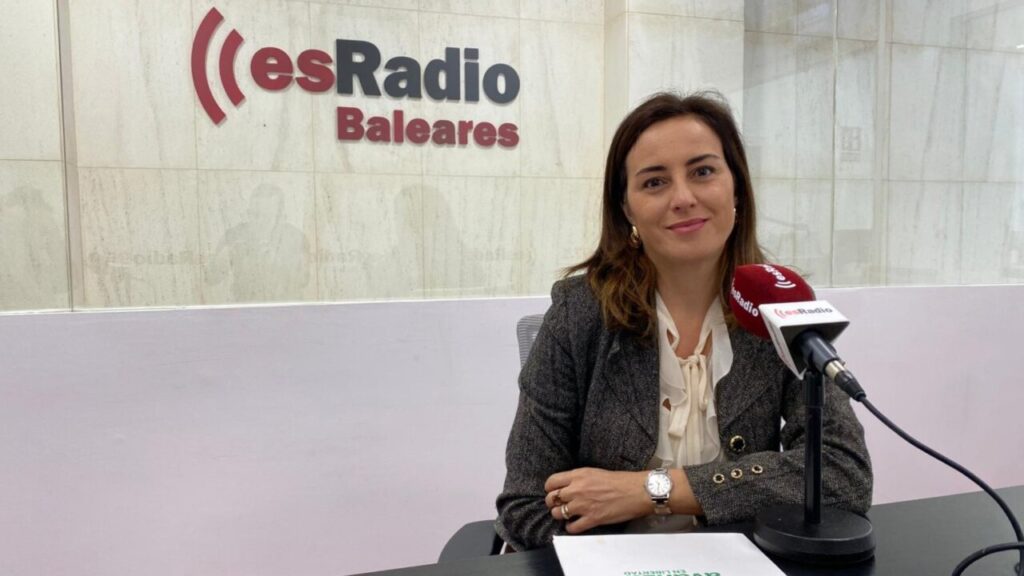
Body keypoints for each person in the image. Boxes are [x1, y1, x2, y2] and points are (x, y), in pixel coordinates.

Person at [495, 92, 872, 551]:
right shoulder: (579, 312)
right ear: (627, 209)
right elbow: (525, 506)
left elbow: (842, 475)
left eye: (703, 172)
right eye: (655, 182)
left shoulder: (777, 305)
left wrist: (651, 490)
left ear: (737, 188)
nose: (683, 198)